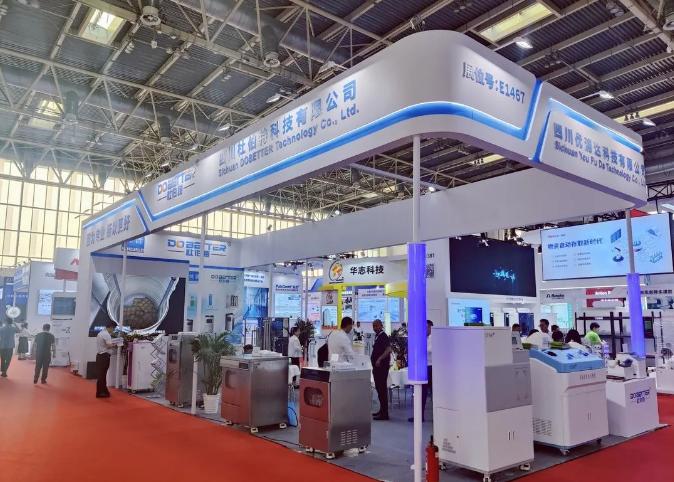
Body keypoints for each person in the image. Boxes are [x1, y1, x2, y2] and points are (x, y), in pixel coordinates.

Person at [410, 320, 433, 422]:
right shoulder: (424, 338)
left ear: (431, 327)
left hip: (431, 368)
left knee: (431, 393)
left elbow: (429, 350)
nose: (424, 329)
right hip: (423, 367)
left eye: (426, 327)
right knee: (421, 393)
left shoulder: (434, 338)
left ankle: (437, 417)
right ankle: (419, 416)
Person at [371, 319, 392, 421]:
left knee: (382, 390)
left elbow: (388, 349)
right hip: (377, 368)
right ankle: (382, 410)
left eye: (376, 326)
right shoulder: (378, 336)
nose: (375, 328)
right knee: (379, 389)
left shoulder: (383, 336)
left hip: (382, 368)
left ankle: (384, 414)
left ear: (381, 325)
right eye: (373, 326)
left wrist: (379, 359)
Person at [95, 322, 117, 398]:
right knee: (102, 375)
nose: (113, 330)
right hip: (104, 356)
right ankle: (101, 392)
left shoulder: (101, 333)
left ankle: (102, 391)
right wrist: (116, 344)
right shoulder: (106, 335)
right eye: (113, 329)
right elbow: (109, 345)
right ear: (111, 327)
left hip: (100, 356)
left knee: (101, 375)